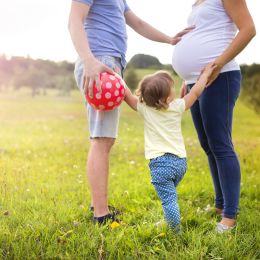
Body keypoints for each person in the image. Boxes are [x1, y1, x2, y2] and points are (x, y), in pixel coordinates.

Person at [68, 0, 193, 224]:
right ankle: (101, 215)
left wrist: (169, 39)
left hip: (108, 63)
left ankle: (98, 206)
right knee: (101, 139)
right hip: (99, 62)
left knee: (104, 139)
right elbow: (74, 20)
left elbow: (138, 23)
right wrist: (89, 61)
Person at [172, 0, 256, 232]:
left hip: (221, 77)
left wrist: (218, 64)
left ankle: (229, 215)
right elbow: (203, 36)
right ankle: (220, 205)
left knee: (220, 144)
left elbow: (249, 29)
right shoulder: (197, 2)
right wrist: (186, 78)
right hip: (195, 82)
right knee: (207, 145)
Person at [124, 65, 215, 231]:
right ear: (167, 98)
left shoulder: (145, 109)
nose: (174, 88)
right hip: (180, 163)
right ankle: (169, 219)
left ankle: (175, 230)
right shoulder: (177, 107)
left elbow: (127, 96)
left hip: (161, 164)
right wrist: (206, 75)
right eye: (171, 87)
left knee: (169, 199)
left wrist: (117, 77)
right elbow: (195, 92)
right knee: (170, 195)